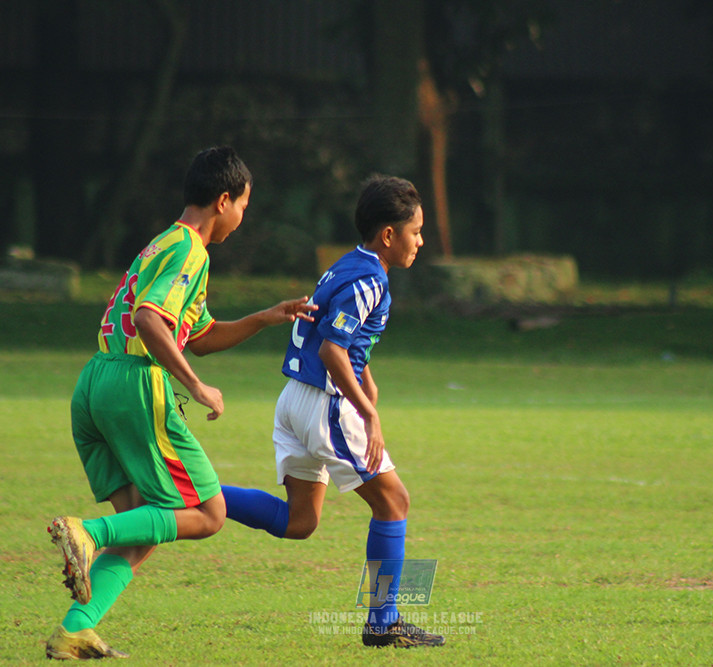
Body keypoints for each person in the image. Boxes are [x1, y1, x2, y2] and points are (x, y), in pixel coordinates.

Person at [44, 146, 317, 660]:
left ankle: (73, 630)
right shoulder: (191, 250)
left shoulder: (164, 244)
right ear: (223, 200)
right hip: (135, 385)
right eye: (244, 204)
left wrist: (264, 317)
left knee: (143, 528)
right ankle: (87, 532)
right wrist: (196, 385)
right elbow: (151, 319)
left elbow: (199, 333)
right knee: (209, 513)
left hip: (97, 380)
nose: (243, 215)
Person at [220, 175, 445, 648]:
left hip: (294, 401)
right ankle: (384, 621)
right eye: (416, 231)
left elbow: (343, 340)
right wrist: (369, 411)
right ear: (389, 235)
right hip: (326, 404)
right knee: (394, 502)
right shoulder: (371, 278)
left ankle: (191, 491)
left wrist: (367, 378)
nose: (421, 241)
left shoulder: (348, 266)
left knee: (300, 522)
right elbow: (332, 352)